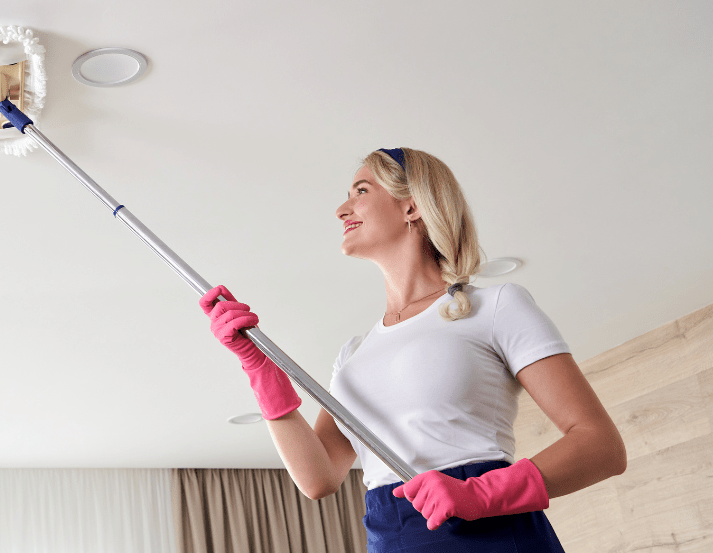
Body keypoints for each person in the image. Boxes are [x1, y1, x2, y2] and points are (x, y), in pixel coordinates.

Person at [198, 147, 626, 552]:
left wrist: (476, 493)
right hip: (392, 533)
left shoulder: (495, 307)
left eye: (361, 192)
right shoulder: (353, 354)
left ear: (412, 206)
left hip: (489, 532)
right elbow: (318, 477)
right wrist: (258, 367)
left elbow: (600, 446)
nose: (341, 209)